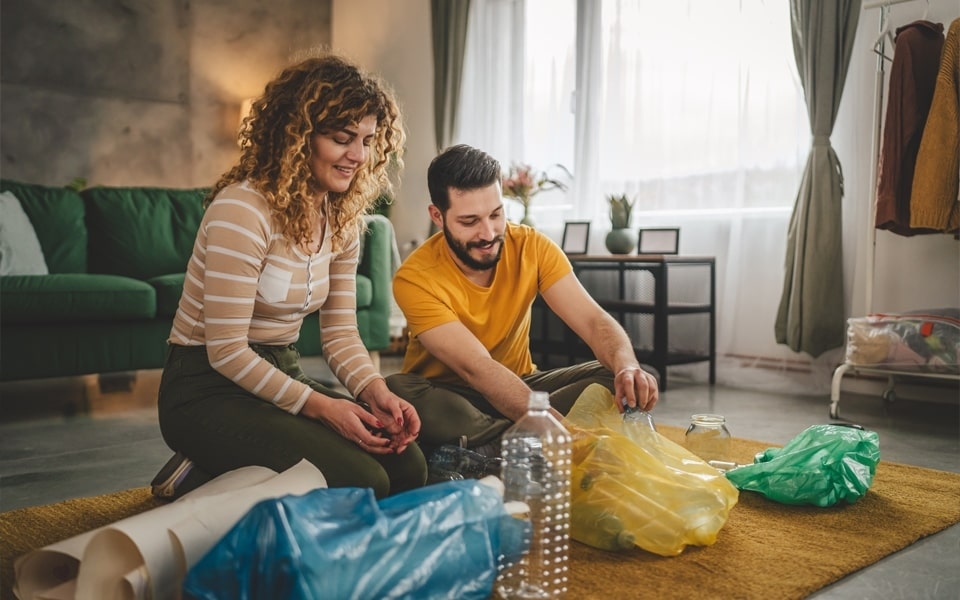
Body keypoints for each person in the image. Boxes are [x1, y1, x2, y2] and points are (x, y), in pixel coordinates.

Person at [152, 53, 426, 500]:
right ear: (297, 138)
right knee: (364, 481)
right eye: (342, 138)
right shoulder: (242, 209)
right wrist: (323, 408)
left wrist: (375, 391)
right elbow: (226, 352)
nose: (357, 156)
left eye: (368, 140)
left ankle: (231, 469)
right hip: (204, 387)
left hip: (281, 370)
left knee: (406, 466)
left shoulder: (342, 219)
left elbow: (339, 334)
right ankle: (206, 468)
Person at [386, 144, 659, 460]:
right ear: (438, 216)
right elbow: (477, 368)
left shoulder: (533, 246)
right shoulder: (415, 277)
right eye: (469, 221)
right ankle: (520, 440)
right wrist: (557, 429)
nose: (488, 233)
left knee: (619, 373)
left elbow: (594, 322)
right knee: (398, 391)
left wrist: (627, 367)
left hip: (520, 385)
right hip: (451, 396)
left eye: (496, 214)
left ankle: (492, 446)